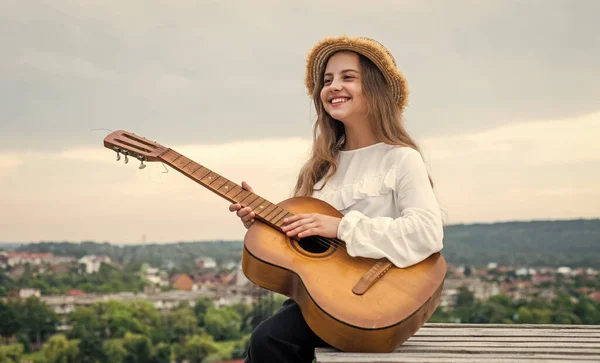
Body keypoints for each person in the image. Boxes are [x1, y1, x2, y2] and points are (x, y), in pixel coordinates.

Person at [228, 35, 444, 363]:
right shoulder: (319, 168)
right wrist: (262, 222)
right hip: (318, 296)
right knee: (264, 341)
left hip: (369, 296)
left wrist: (341, 227)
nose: (333, 86)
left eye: (347, 77)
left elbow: (428, 232)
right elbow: (305, 245)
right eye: (327, 80)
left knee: (267, 340)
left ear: (374, 89)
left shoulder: (401, 159)